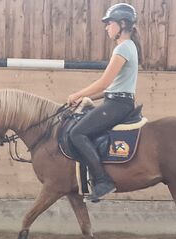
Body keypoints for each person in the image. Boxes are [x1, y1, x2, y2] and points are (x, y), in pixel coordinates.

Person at [67, 3, 142, 203]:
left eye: (109, 23)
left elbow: (104, 82)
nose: (107, 27)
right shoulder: (128, 47)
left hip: (117, 105)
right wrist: (89, 98)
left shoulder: (123, 48)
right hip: (117, 102)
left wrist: (76, 94)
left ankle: (102, 181)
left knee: (77, 132)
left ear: (122, 24)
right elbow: (112, 88)